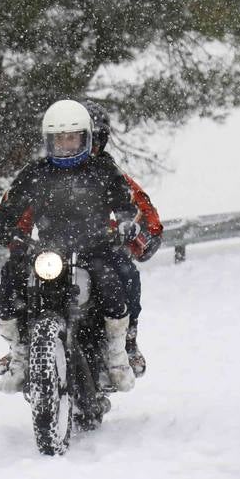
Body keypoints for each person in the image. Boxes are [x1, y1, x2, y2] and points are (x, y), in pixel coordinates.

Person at [0, 99, 142, 394]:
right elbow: (10, 206)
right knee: (11, 278)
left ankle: (116, 357)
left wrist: (126, 222)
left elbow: (125, 202)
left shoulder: (103, 169)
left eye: (72, 137)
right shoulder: (36, 172)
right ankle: (19, 354)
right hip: (48, 250)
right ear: (48, 141)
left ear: (86, 137)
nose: (66, 145)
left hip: (95, 247)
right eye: (59, 139)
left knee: (112, 281)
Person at [82, 100, 163, 377]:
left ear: (101, 140)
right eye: (80, 138)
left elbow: (138, 205)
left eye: (92, 139)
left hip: (99, 246)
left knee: (127, 273)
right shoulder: (47, 172)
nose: (85, 146)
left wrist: (141, 232)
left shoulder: (108, 171)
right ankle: (20, 343)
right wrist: (10, 233)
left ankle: (128, 339)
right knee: (19, 277)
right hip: (54, 247)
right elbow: (21, 205)